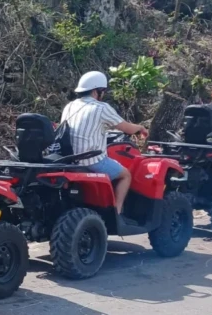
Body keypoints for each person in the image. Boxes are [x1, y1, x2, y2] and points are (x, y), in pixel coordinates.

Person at [62, 71, 148, 214]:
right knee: (125, 175)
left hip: (69, 159)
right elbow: (126, 128)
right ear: (97, 91)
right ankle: (117, 211)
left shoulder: (70, 106)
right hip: (91, 161)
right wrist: (140, 128)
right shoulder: (101, 108)